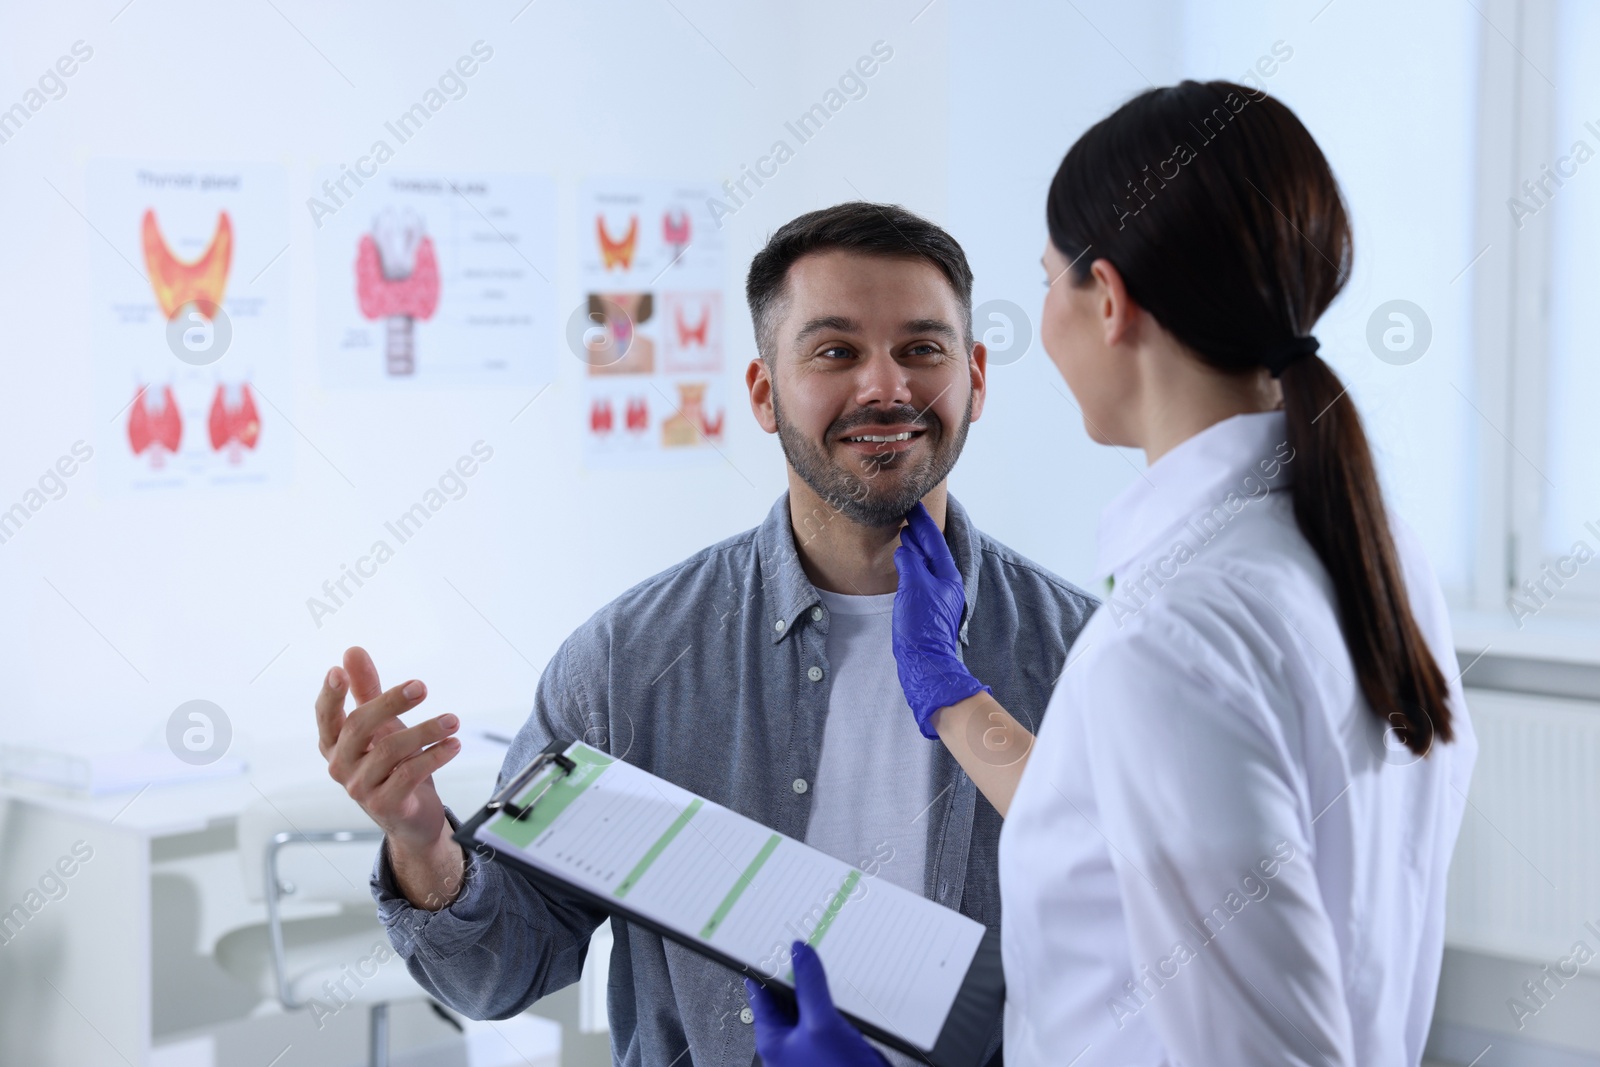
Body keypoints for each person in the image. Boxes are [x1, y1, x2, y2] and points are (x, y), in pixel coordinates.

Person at [749, 81, 1478, 1067]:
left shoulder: (1170, 637)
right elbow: (1156, 819)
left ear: (1108, 300)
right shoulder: (1371, 552)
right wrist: (952, 694)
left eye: (1047, 280)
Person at [313, 201, 1099, 1067]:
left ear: (976, 378)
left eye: (923, 349)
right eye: (836, 351)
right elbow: (502, 971)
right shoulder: (630, 663)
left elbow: (1162, 966)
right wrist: (426, 847)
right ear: (764, 391)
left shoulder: (1084, 656)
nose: (886, 387)